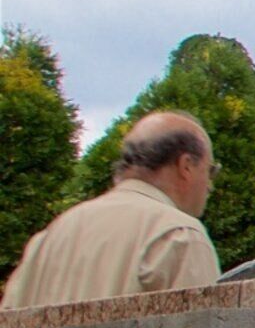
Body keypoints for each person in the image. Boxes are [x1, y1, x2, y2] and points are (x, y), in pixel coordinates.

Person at [3, 111, 220, 308]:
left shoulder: (52, 236)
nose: (210, 185)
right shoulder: (180, 237)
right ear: (186, 166)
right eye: (211, 171)